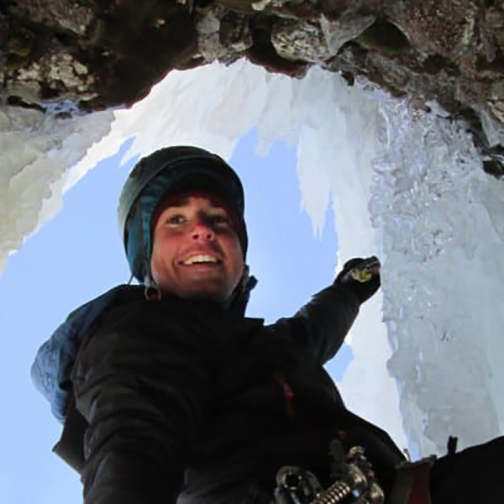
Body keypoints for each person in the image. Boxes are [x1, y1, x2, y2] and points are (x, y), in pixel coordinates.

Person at [31, 146, 504, 504]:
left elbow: (311, 332)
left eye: (218, 219)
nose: (204, 230)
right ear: (147, 263)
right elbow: (135, 441)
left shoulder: (265, 349)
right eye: (175, 220)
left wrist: (348, 290)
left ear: (240, 259)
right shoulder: (137, 337)